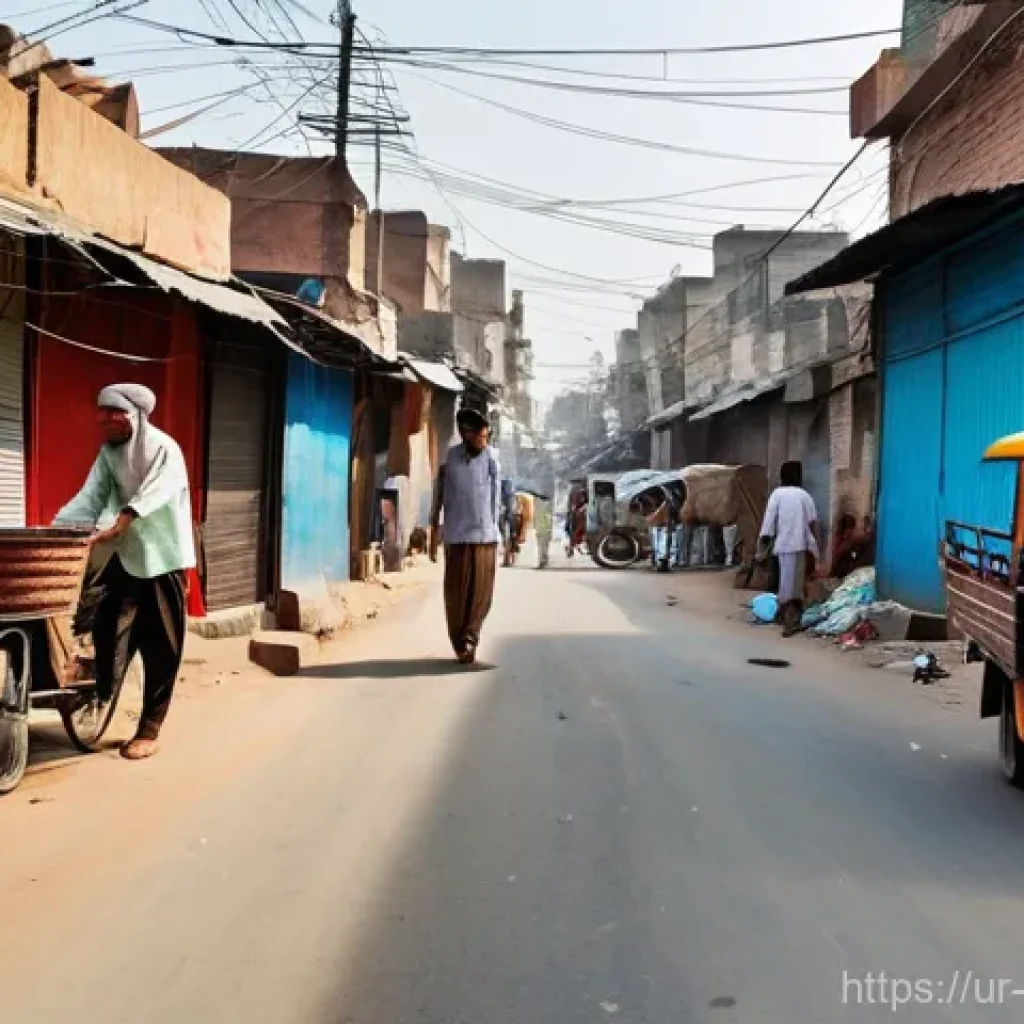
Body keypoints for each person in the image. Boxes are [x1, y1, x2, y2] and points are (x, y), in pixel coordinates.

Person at [54, 384, 193, 760]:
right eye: (101, 412)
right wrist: (57, 528)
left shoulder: (164, 449)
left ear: (133, 417)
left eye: (111, 413)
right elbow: (91, 496)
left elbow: (157, 491)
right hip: (124, 554)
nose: (102, 419)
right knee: (104, 627)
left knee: (161, 644)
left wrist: (122, 520)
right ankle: (102, 693)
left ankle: (150, 727)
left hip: (162, 558)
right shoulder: (109, 455)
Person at [429, 407, 501, 664]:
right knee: (457, 593)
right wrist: (435, 527)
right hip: (457, 535)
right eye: (481, 435)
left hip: (485, 537)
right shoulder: (452, 458)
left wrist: (500, 532)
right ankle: (459, 641)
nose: (485, 439)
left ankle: (471, 637)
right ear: (467, 434)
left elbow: (497, 498)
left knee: (481, 594)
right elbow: (440, 494)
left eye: (486, 434)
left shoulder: (492, 458)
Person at [758, 461, 820, 637]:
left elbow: (769, 521)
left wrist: (763, 541)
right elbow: (813, 522)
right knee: (794, 583)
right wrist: (815, 547)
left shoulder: (777, 495)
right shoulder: (804, 496)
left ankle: (783, 614)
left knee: (785, 580)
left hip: (782, 545)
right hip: (799, 544)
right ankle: (790, 620)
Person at [535, 495, 553, 569]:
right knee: (542, 545)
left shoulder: (541, 502)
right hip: (541, 528)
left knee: (542, 545)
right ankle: (542, 561)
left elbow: (548, 516)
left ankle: (542, 561)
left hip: (543, 528)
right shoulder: (539, 501)